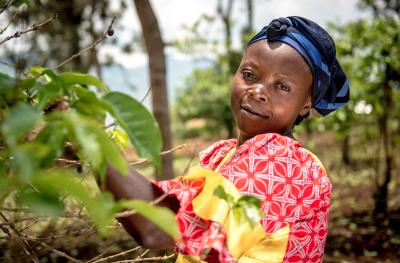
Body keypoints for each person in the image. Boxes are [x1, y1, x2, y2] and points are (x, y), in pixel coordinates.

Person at [104, 16, 350, 263]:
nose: (258, 92)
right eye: (249, 74)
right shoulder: (222, 154)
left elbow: (155, 227)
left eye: (282, 87)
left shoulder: (284, 165)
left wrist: (94, 145)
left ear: (306, 104)